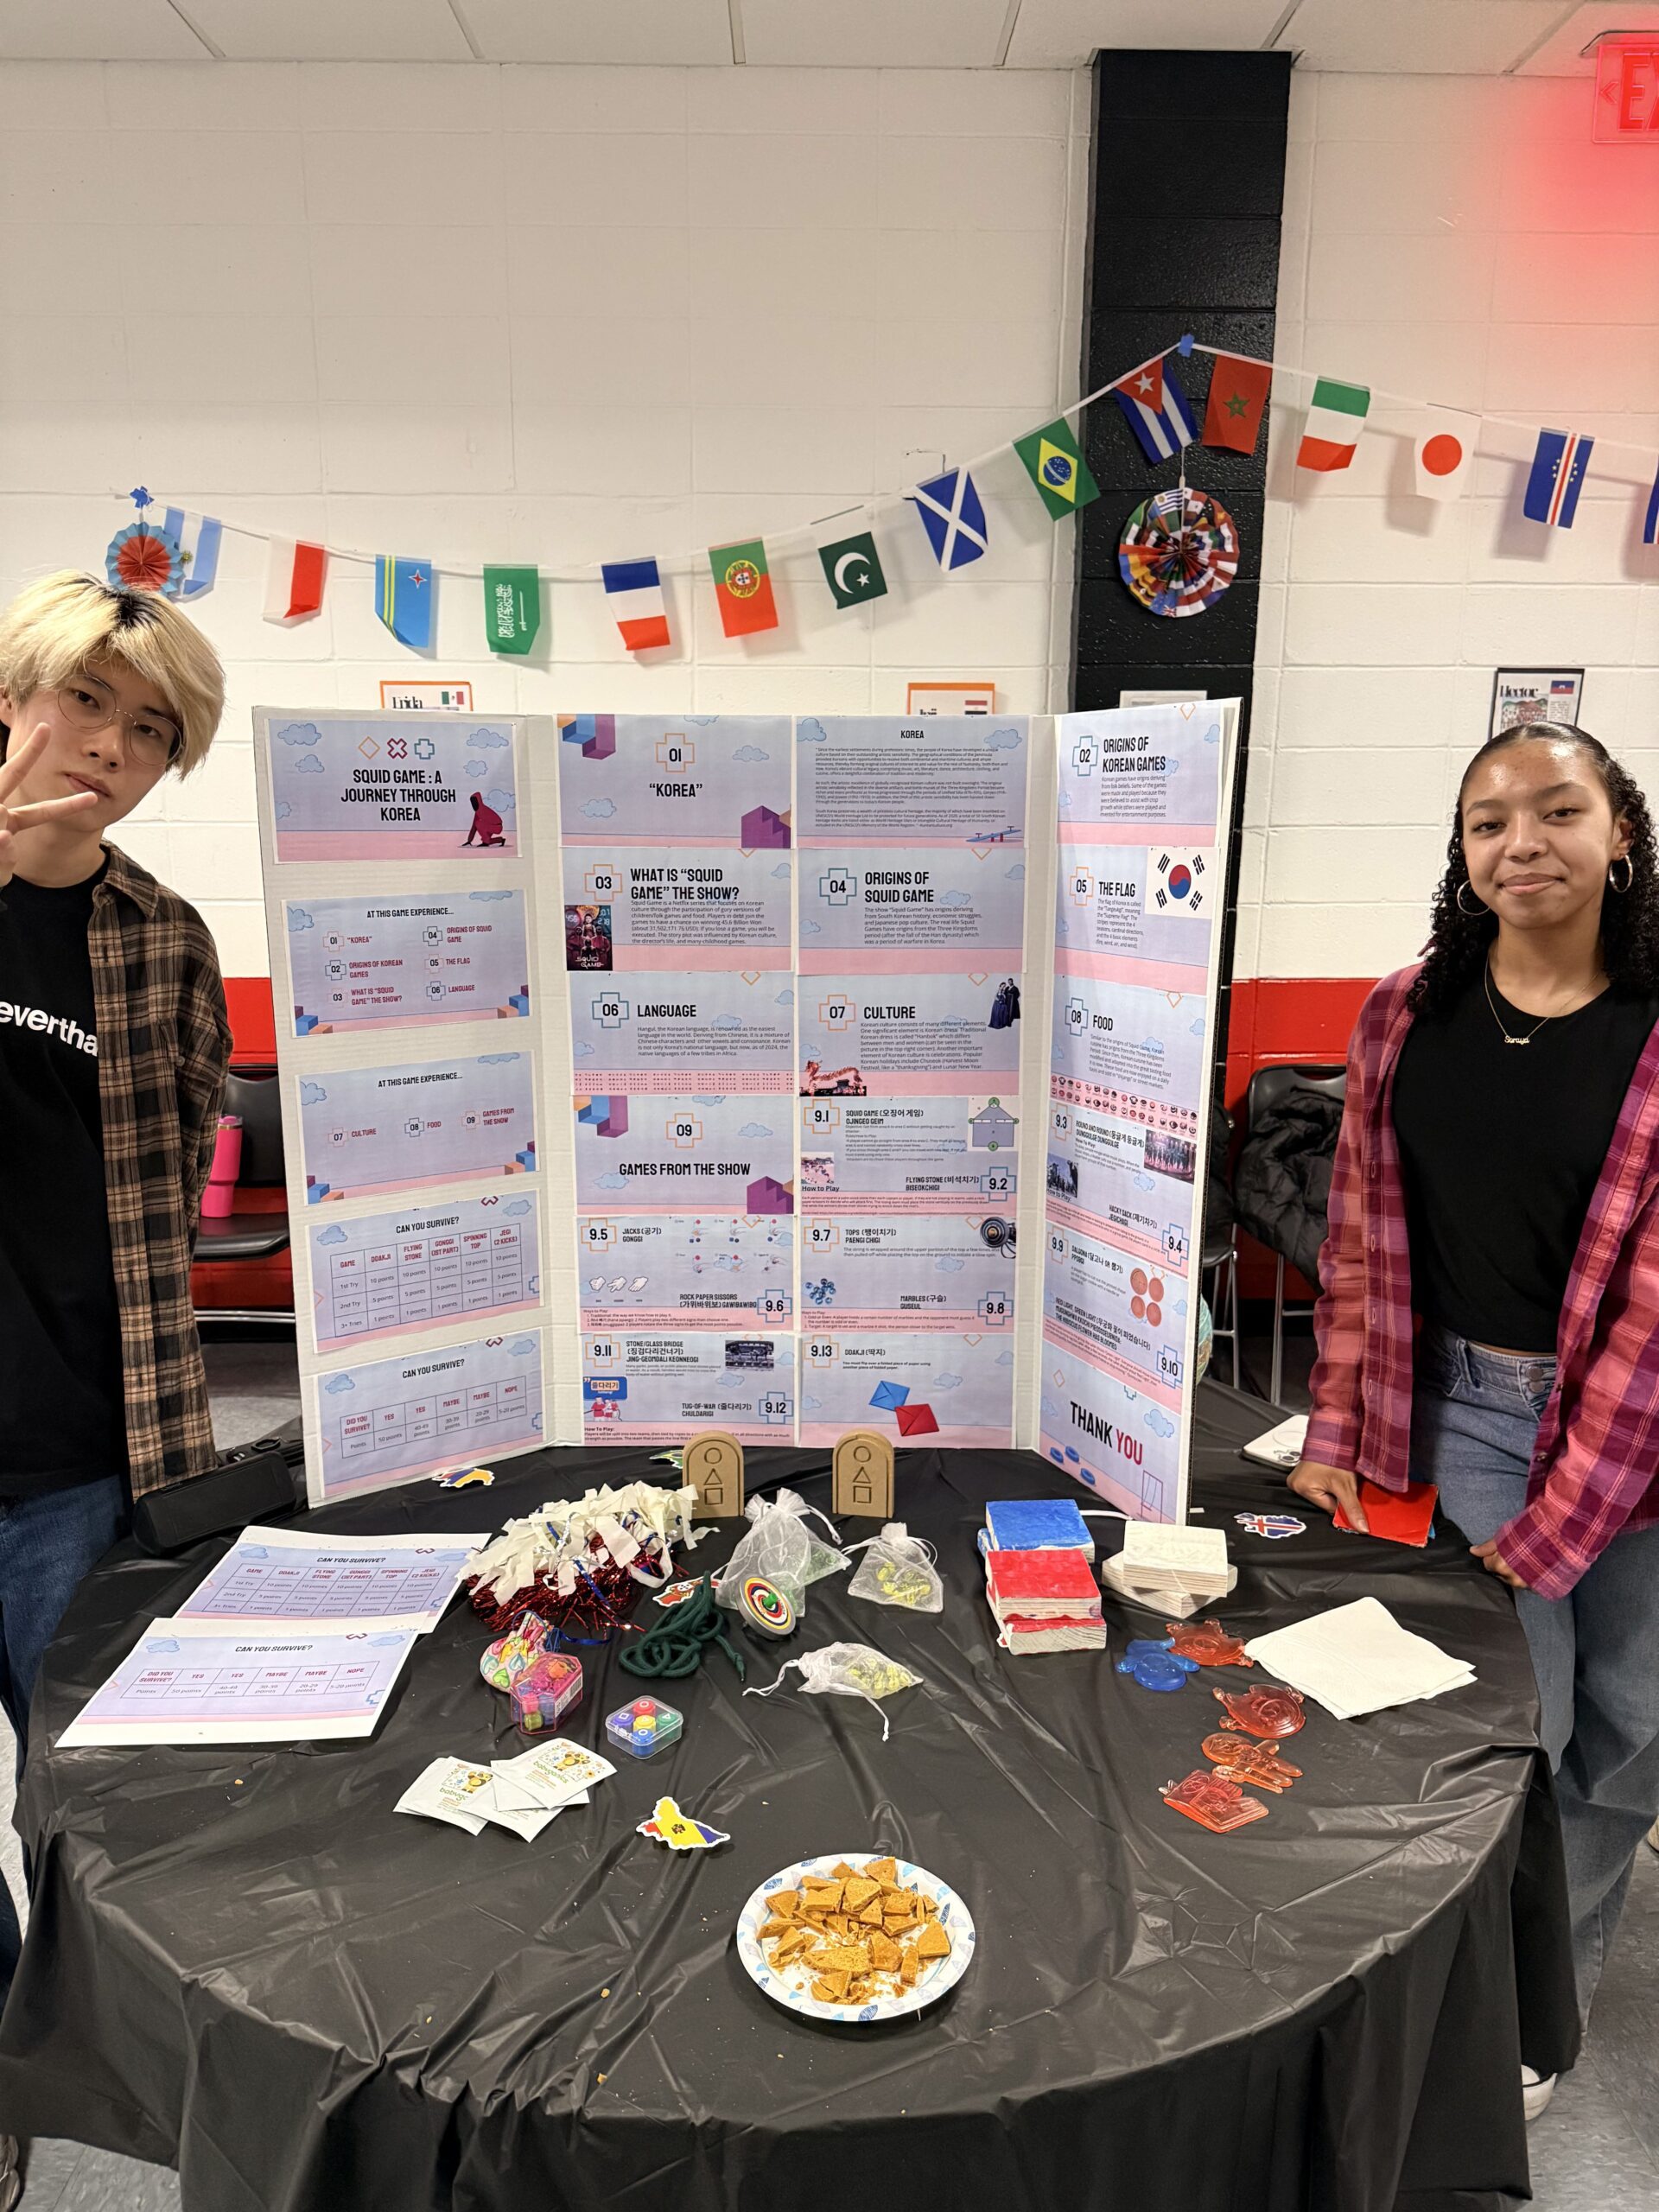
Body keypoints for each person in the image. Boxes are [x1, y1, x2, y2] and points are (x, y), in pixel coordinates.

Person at [1288, 721, 1659, 2117]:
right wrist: (1337, 1424)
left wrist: (1569, 1520)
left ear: (1621, 835)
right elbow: (1357, 1237)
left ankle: (1551, 1995)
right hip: (1468, 1407)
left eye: (1559, 811)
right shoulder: (1407, 1013)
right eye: (1490, 822)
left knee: (1631, 1734)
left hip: (1636, 1429)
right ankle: (1488, 2013)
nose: (1524, 845)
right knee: (1524, 1732)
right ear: (1462, 852)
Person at [0, 571, 229, 2194]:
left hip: (78, 1456)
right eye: (87, 699)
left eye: (148, 730)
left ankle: (73, 2060)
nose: (109, 746)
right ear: (15, 698)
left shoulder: (163, 939)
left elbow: (175, 1178)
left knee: (78, 1800)